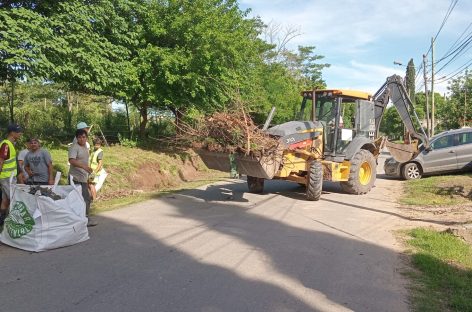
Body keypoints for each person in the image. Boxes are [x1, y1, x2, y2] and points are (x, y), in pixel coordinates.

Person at [69, 129, 96, 227]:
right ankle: (85, 219)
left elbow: (84, 160)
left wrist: (88, 171)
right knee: (84, 199)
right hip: (75, 178)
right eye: (79, 137)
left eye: (84, 137)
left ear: (86, 138)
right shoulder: (74, 147)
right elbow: (72, 161)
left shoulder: (85, 147)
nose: (82, 139)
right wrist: (84, 167)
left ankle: (82, 219)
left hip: (83, 177)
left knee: (85, 199)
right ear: (76, 138)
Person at [0, 124, 23, 226]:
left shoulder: (11, 144)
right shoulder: (6, 144)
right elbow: (1, 161)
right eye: (18, 132)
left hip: (9, 177)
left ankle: (2, 220)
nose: (20, 133)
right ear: (12, 133)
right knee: (14, 198)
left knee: (5, 200)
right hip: (6, 178)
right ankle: (13, 222)